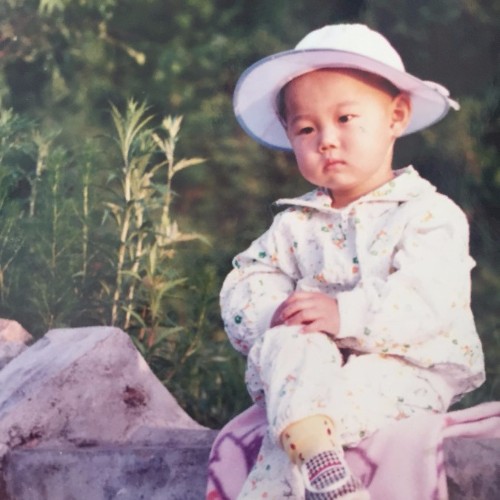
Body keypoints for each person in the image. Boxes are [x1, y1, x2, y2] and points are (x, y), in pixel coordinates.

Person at [220, 23, 485, 500]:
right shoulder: (295, 224)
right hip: (310, 370)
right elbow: (249, 278)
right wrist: (276, 314)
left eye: (345, 118)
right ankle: (328, 476)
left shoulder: (427, 214)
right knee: (292, 346)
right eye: (306, 128)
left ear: (396, 116)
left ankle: (301, 478)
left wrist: (345, 314)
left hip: (406, 367)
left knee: (316, 406)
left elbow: (430, 297)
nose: (326, 139)